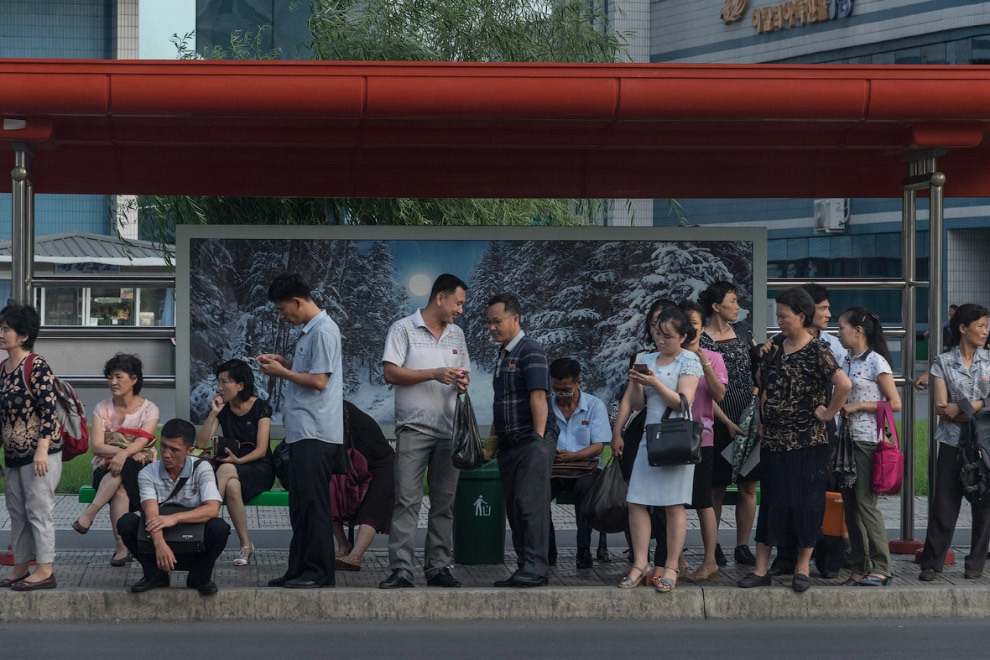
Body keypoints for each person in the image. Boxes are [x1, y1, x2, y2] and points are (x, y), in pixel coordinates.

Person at [737, 287, 850, 593]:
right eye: (778, 316)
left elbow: (844, 384)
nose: (780, 321)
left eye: (784, 316)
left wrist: (827, 413)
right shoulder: (774, 346)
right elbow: (762, 384)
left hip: (807, 442)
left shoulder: (819, 351)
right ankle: (761, 569)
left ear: (801, 317)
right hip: (774, 441)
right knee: (772, 502)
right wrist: (762, 417)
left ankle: (802, 568)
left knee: (806, 504)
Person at [378, 274, 470, 590]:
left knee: (444, 503)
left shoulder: (457, 335)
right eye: (458, 302)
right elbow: (390, 372)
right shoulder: (402, 328)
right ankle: (402, 569)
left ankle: (438, 568)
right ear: (440, 298)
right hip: (413, 428)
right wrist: (433, 373)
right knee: (407, 500)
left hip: (449, 430)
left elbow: (464, 374)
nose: (460, 310)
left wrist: (461, 381)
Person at [257, 272, 343, 589]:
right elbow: (311, 371)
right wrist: (286, 362)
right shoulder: (310, 332)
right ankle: (299, 568)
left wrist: (281, 372)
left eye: (282, 309)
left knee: (314, 505)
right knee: (300, 506)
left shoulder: (323, 331)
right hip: (303, 431)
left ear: (297, 301)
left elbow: (320, 381)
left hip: (316, 431)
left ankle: (320, 572)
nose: (282, 316)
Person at [612, 306, 702, 593]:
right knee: (637, 500)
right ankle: (641, 563)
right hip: (648, 440)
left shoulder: (689, 360)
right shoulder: (644, 358)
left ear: (683, 336)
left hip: (675, 439)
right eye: (657, 333)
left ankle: (672, 565)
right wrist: (619, 428)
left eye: (667, 336)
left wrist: (654, 382)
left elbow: (682, 403)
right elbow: (636, 403)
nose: (660, 340)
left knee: (674, 504)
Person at [487, 292, 558, 588]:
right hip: (508, 443)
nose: (492, 327)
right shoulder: (504, 355)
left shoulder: (531, 350)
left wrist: (539, 441)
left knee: (531, 505)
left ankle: (537, 567)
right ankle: (523, 566)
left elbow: (538, 396)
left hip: (532, 441)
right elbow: (501, 401)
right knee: (515, 507)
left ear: (515, 319)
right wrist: (491, 441)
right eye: (488, 322)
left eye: (497, 321)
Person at [117, 418, 229, 595]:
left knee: (219, 528)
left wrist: (174, 518)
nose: (166, 454)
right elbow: (150, 512)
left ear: (189, 450)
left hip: (193, 540)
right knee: (126, 522)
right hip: (159, 544)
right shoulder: (148, 473)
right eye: (164, 447)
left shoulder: (202, 468)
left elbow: (212, 509)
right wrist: (159, 544)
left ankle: (199, 576)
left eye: (174, 450)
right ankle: (155, 575)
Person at [919, 303, 990, 581]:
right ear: (963, 328)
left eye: (987, 326)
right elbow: (942, 408)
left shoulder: (989, 360)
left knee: (984, 502)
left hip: (985, 443)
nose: (986, 331)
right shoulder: (942, 362)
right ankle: (931, 563)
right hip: (951, 442)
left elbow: (955, 409)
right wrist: (982, 406)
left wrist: (969, 406)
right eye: (981, 325)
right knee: (944, 503)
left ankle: (975, 564)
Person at [72, 353, 159, 567]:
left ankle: (90, 514)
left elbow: (143, 442)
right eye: (110, 377)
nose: (113, 382)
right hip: (105, 473)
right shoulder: (102, 407)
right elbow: (97, 446)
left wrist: (122, 453)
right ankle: (122, 548)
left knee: (123, 466)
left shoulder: (150, 409)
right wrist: (127, 452)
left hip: (142, 472)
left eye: (119, 377)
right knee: (119, 485)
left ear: (134, 379)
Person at [836, 306, 901, 586]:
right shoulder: (846, 360)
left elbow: (894, 403)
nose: (838, 333)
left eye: (841, 328)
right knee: (850, 506)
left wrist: (860, 405)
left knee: (865, 503)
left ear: (858, 331)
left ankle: (882, 567)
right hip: (846, 442)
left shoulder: (877, 362)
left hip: (867, 441)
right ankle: (859, 567)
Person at [0, 304, 60, 591]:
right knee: (17, 511)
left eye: (5, 329)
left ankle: (45, 570)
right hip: (13, 454)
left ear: (23, 336)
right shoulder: (3, 368)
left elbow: (50, 410)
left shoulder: (35, 365)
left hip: (39, 455)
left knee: (39, 510)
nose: (0, 334)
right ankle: (21, 566)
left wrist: (42, 449)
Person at [699, 281, 758, 567]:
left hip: (748, 417)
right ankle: (714, 544)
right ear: (716, 306)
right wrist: (727, 421)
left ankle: (743, 545)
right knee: (716, 487)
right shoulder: (702, 341)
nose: (737, 306)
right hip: (719, 419)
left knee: (748, 485)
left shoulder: (744, 334)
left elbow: (758, 371)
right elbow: (704, 390)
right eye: (732, 301)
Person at [194, 358, 275, 567]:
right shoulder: (224, 409)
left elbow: (261, 449)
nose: (220, 387)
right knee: (231, 484)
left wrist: (238, 460)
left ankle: (204, 522)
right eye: (219, 382)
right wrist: (214, 413)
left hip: (259, 467)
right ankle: (246, 545)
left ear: (240, 385)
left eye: (225, 382)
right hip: (232, 469)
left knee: (227, 469)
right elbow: (201, 442)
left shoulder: (260, 407)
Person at [680, 300, 728, 582]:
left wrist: (702, 360)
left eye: (694, 325)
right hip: (671, 436)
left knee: (703, 500)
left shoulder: (713, 357)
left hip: (702, 436)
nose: (689, 331)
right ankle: (678, 558)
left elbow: (718, 395)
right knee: (673, 502)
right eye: (684, 325)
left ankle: (710, 560)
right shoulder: (669, 356)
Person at [547, 358, 608, 570]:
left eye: (566, 390)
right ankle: (548, 550)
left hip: (585, 467)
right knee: (536, 494)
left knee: (584, 492)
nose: (561, 395)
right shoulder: (546, 405)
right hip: (554, 468)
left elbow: (598, 445)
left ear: (578, 383)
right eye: (556, 390)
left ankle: (583, 550)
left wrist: (572, 457)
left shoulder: (594, 405)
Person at [333, 400, 395, 571]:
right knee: (330, 497)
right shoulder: (333, 409)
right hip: (353, 466)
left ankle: (355, 556)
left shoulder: (337, 410)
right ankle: (343, 546)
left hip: (380, 464)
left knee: (372, 510)